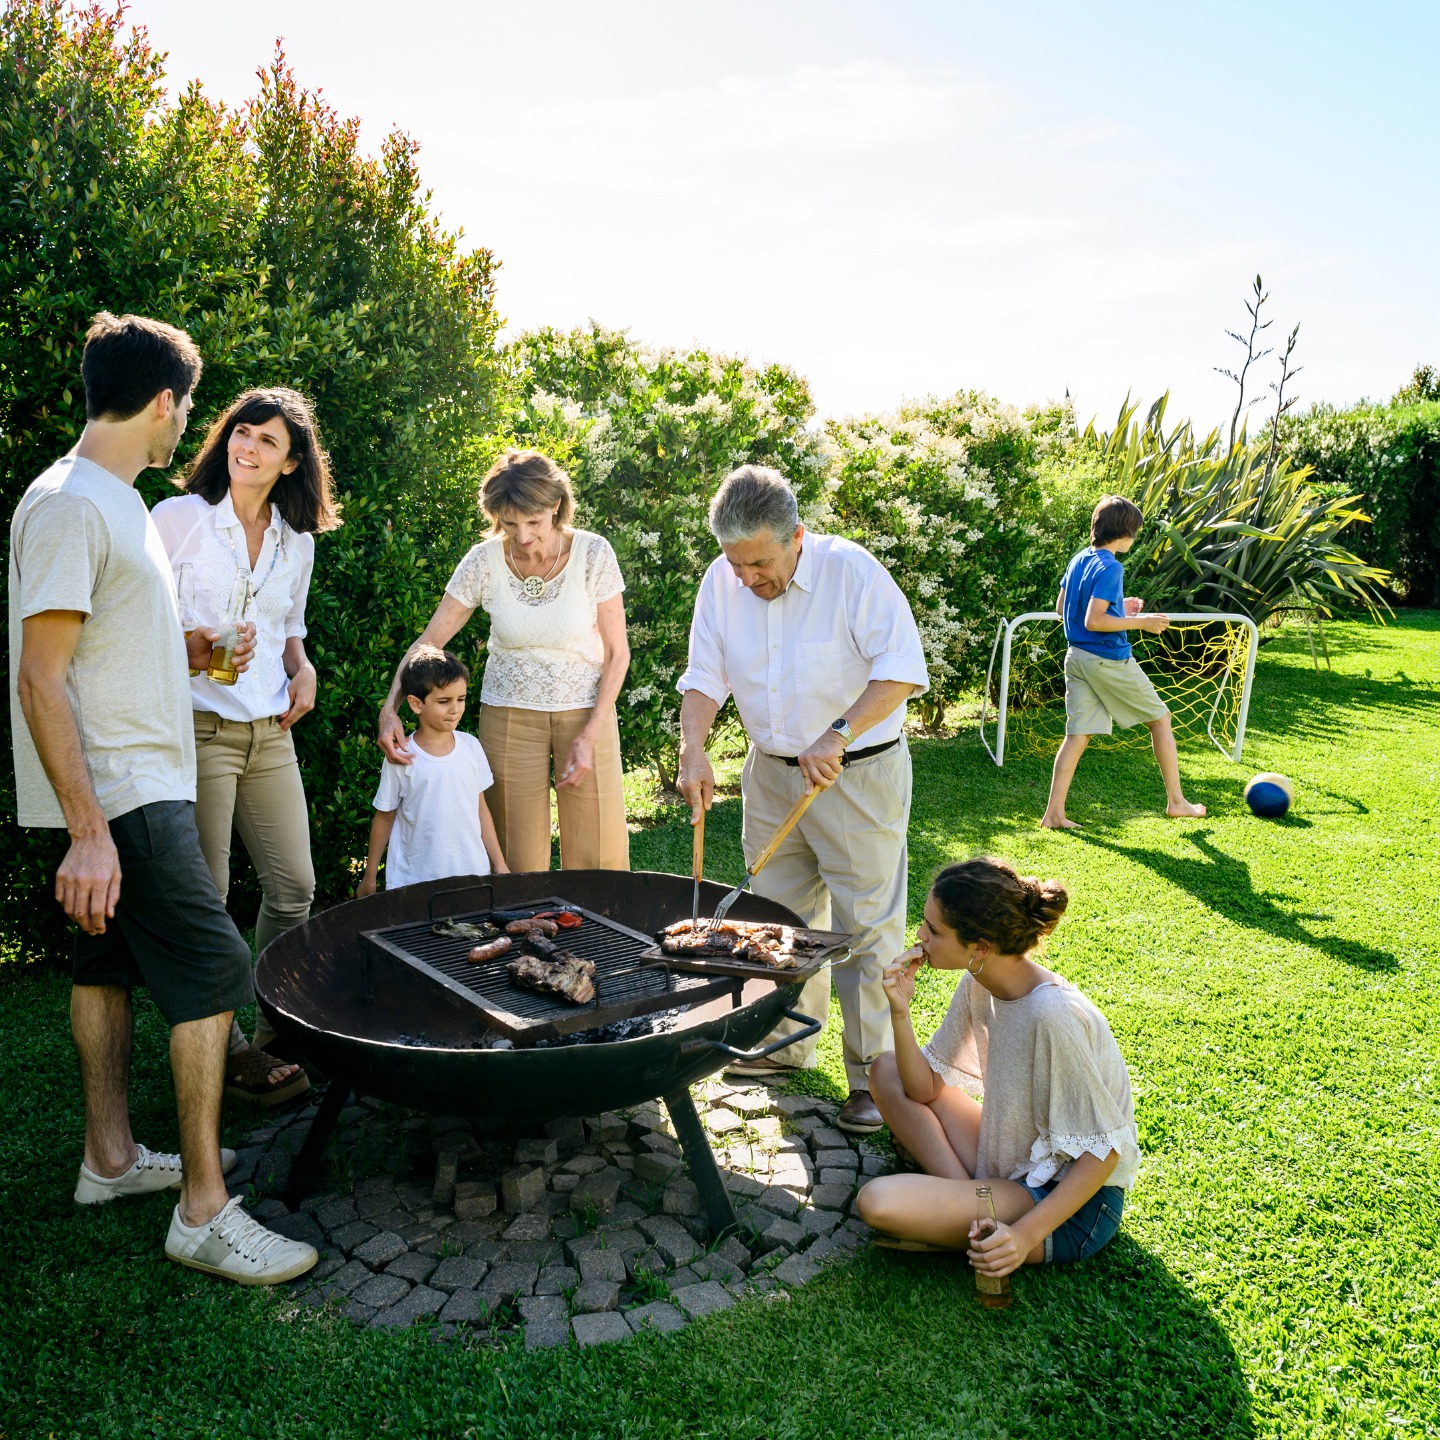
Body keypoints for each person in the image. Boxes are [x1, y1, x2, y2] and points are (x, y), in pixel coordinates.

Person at [9, 311, 316, 1284]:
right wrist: (90, 831)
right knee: (218, 969)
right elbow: (39, 676)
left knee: (103, 964)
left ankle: (108, 1158)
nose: (190, 425)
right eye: (188, 407)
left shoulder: (116, 501)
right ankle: (204, 1210)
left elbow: (101, 648)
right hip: (124, 790)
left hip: (135, 780)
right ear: (161, 402)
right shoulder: (72, 505)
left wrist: (194, 648)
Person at [677, 465, 929, 1134]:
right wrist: (693, 747)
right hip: (770, 774)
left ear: (797, 537)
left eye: (759, 563)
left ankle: (873, 1079)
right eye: (736, 564)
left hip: (857, 773)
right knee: (777, 921)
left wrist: (838, 731)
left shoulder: (852, 572)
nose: (746, 578)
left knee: (866, 930)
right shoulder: (722, 580)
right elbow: (705, 675)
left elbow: (902, 669)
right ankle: (784, 1046)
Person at [152, 387, 340, 1106]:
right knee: (210, 900)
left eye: (266, 440)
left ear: (291, 463)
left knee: (295, 888)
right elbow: (135, 625)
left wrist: (304, 668)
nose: (247, 447)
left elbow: (291, 629)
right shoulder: (178, 520)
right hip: (200, 728)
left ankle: (273, 1030)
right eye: (241, 432)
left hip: (270, 732)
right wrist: (194, 645)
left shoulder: (298, 542)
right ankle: (225, 1050)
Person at [854, 857, 1139, 1273]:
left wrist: (1023, 1237)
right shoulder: (978, 982)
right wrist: (900, 1011)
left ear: (981, 947)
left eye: (934, 930)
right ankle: (967, 1207)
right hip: (1014, 1158)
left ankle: (966, 1218)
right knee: (886, 1069)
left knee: (878, 1201)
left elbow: (1105, 1153)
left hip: (1071, 1200)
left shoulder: (1052, 1014)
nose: (920, 936)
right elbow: (924, 1089)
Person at [377, 450, 630, 872]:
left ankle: (599, 920)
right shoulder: (484, 560)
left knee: (600, 856)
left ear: (556, 506)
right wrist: (390, 708)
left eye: (533, 522)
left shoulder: (594, 554)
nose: (523, 535)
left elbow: (618, 653)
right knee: (515, 858)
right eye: (510, 524)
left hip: (588, 714)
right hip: (510, 716)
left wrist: (591, 732)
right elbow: (429, 641)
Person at [1041, 494, 1206, 828]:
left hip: (1077, 658)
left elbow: (1062, 608)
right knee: (1161, 719)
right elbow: (1094, 621)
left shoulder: (1079, 559)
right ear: (1125, 531)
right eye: (1135, 531)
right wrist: (1141, 621)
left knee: (1077, 735)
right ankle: (1177, 803)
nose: (1136, 537)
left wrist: (1118, 607)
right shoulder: (1111, 566)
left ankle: (1054, 815)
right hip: (1107, 660)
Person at [359, 647, 509, 893]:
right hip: (414, 881)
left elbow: (481, 808)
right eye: (444, 701)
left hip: (472, 875)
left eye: (461, 699)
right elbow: (385, 816)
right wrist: (370, 876)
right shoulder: (401, 755)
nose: (455, 709)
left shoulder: (471, 747)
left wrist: (500, 865)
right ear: (416, 704)